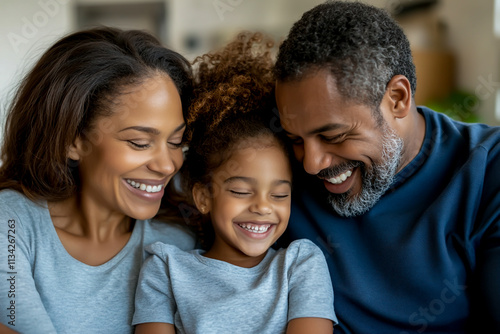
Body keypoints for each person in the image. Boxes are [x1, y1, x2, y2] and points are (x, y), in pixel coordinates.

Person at [274, 1, 500, 333]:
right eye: (295, 139)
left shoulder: (486, 171)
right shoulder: (272, 168)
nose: (311, 163)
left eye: (333, 135)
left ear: (397, 97)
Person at [132, 32, 336, 334]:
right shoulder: (164, 268)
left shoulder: (300, 265)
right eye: (241, 191)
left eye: (280, 195)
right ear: (203, 196)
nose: (263, 206)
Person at [0, 27, 196, 333]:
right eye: (140, 143)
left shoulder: (179, 245)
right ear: (72, 140)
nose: (166, 164)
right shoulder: (12, 223)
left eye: (176, 142)